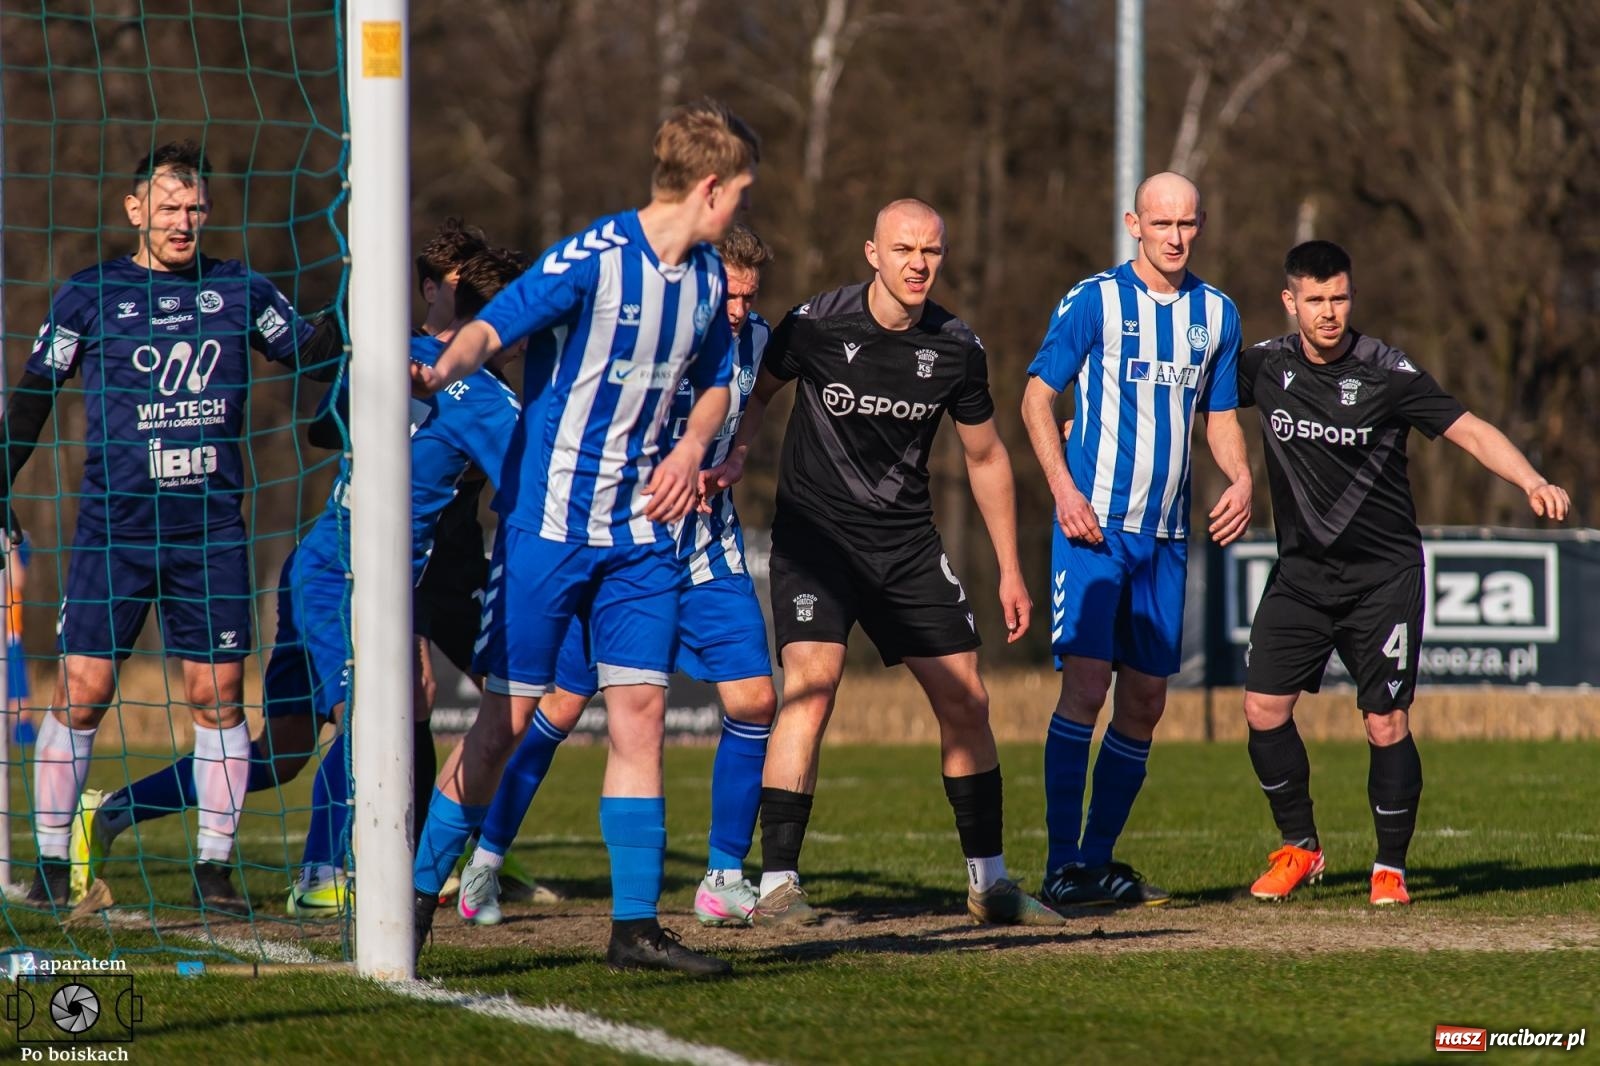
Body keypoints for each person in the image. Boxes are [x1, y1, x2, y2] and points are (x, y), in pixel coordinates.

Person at [69, 249, 533, 917]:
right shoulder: (490, 399)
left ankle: (109, 813)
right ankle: (322, 872)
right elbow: (528, 492)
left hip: (314, 562)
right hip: (352, 576)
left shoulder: (394, 352)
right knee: (376, 716)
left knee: (284, 751)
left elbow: (325, 427)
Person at [408, 99, 757, 977]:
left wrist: (686, 447)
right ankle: (413, 897)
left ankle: (634, 929)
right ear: (711, 187)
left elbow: (718, 380)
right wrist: (438, 368)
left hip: (642, 533)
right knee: (505, 723)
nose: (744, 204)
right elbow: (492, 325)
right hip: (548, 526)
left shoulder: (711, 277)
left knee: (639, 713)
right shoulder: (596, 258)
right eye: (742, 188)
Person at [1, 140, 340, 909]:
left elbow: (316, 354)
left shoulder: (240, 290)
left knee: (219, 697)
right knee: (82, 692)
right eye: (168, 207)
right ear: (135, 211)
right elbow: (31, 398)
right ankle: (55, 863)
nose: (183, 221)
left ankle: (213, 868)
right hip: (112, 532)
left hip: (212, 531)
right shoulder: (87, 296)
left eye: (195, 208)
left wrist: (364, 300)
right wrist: (3, 475)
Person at [708, 198, 1060, 929]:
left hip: (905, 547)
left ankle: (989, 885)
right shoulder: (815, 323)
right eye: (904, 249)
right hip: (815, 540)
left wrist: (1012, 569)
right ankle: (778, 886)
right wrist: (738, 448)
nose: (918, 263)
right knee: (812, 685)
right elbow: (757, 394)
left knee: (968, 700)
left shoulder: (957, 346)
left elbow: (987, 455)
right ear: (873, 253)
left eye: (931, 251)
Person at [453, 223, 779, 929]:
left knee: (755, 699)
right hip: (620, 546)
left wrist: (738, 454)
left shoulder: (754, 337)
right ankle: (484, 860)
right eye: (730, 294)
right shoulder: (660, 330)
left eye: (750, 299)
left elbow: (751, 402)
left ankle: (722, 876)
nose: (738, 311)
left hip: (706, 552)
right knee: (558, 710)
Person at [1238, 240, 1569, 906]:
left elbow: (1470, 429)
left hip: (1382, 578)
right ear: (1290, 301)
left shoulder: (1388, 371)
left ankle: (1390, 868)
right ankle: (1300, 848)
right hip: (1301, 576)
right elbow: (1180, 404)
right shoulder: (1263, 368)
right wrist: (1097, 427)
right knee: (1262, 709)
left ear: (1350, 296)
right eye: (1316, 300)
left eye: (1340, 298)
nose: (1329, 313)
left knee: (1384, 720)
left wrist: (1531, 478)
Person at [1019, 171, 1251, 909]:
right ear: (1134, 224)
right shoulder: (1094, 301)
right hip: (1093, 529)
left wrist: (1242, 479)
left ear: (1201, 225)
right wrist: (1063, 492)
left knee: (1146, 701)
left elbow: (1219, 417)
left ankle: (1096, 862)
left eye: (1188, 225)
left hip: (1167, 537)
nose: (1176, 238)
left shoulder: (1218, 314)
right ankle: (1061, 866)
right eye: (1162, 225)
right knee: (1087, 687)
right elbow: (1034, 398)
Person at [5, 535, 34, 745]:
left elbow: (17, 579)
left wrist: (8, 545)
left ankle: (23, 741)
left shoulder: (18, 538)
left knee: (19, 704)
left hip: (9, 635)